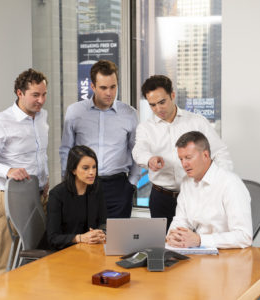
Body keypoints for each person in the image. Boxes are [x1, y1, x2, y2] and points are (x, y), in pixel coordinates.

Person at [0, 68, 49, 277]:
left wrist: (45, 178)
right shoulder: (1, 122)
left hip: (39, 196)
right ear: (20, 93)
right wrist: (8, 171)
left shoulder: (42, 117)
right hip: (9, 198)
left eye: (44, 94)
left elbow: (40, 154)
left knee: (32, 260)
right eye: (35, 95)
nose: (41, 100)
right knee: (7, 263)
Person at [132, 75, 233, 229]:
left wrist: (221, 184)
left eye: (162, 102)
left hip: (196, 194)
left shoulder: (196, 121)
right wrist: (149, 159)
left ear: (172, 95)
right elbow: (139, 150)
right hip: (162, 198)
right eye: (152, 105)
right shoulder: (145, 128)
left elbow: (219, 152)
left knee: (198, 243)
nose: (158, 109)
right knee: (163, 246)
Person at [59, 60, 140, 218]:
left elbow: (136, 151)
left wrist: (132, 184)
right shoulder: (75, 112)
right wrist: (68, 183)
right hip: (83, 184)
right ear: (93, 87)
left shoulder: (130, 114)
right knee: (85, 238)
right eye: (103, 88)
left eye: (113, 87)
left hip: (118, 187)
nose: (109, 93)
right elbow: (66, 150)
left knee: (117, 241)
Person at [166, 131, 252, 249]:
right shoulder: (187, 182)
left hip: (228, 255)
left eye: (188, 158)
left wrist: (199, 240)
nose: (184, 164)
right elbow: (181, 220)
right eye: (181, 159)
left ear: (205, 155)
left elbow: (244, 236)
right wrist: (174, 235)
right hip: (199, 251)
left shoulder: (230, 183)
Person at [47, 145, 106, 250]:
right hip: (63, 252)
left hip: (90, 249)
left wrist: (101, 234)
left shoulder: (97, 189)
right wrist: (80, 238)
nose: (92, 172)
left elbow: (103, 223)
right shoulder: (57, 195)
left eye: (94, 167)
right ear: (73, 170)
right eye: (85, 168)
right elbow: (53, 238)